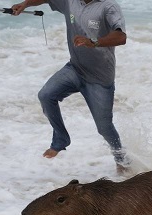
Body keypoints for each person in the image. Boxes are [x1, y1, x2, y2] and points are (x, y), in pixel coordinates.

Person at [12, 0, 129, 174]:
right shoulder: (71, 2)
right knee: (46, 95)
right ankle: (61, 139)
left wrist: (93, 41)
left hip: (99, 78)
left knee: (104, 127)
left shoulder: (108, 7)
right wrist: (25, 4)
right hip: (75, 69)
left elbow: (121, 37)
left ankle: (123, 162)